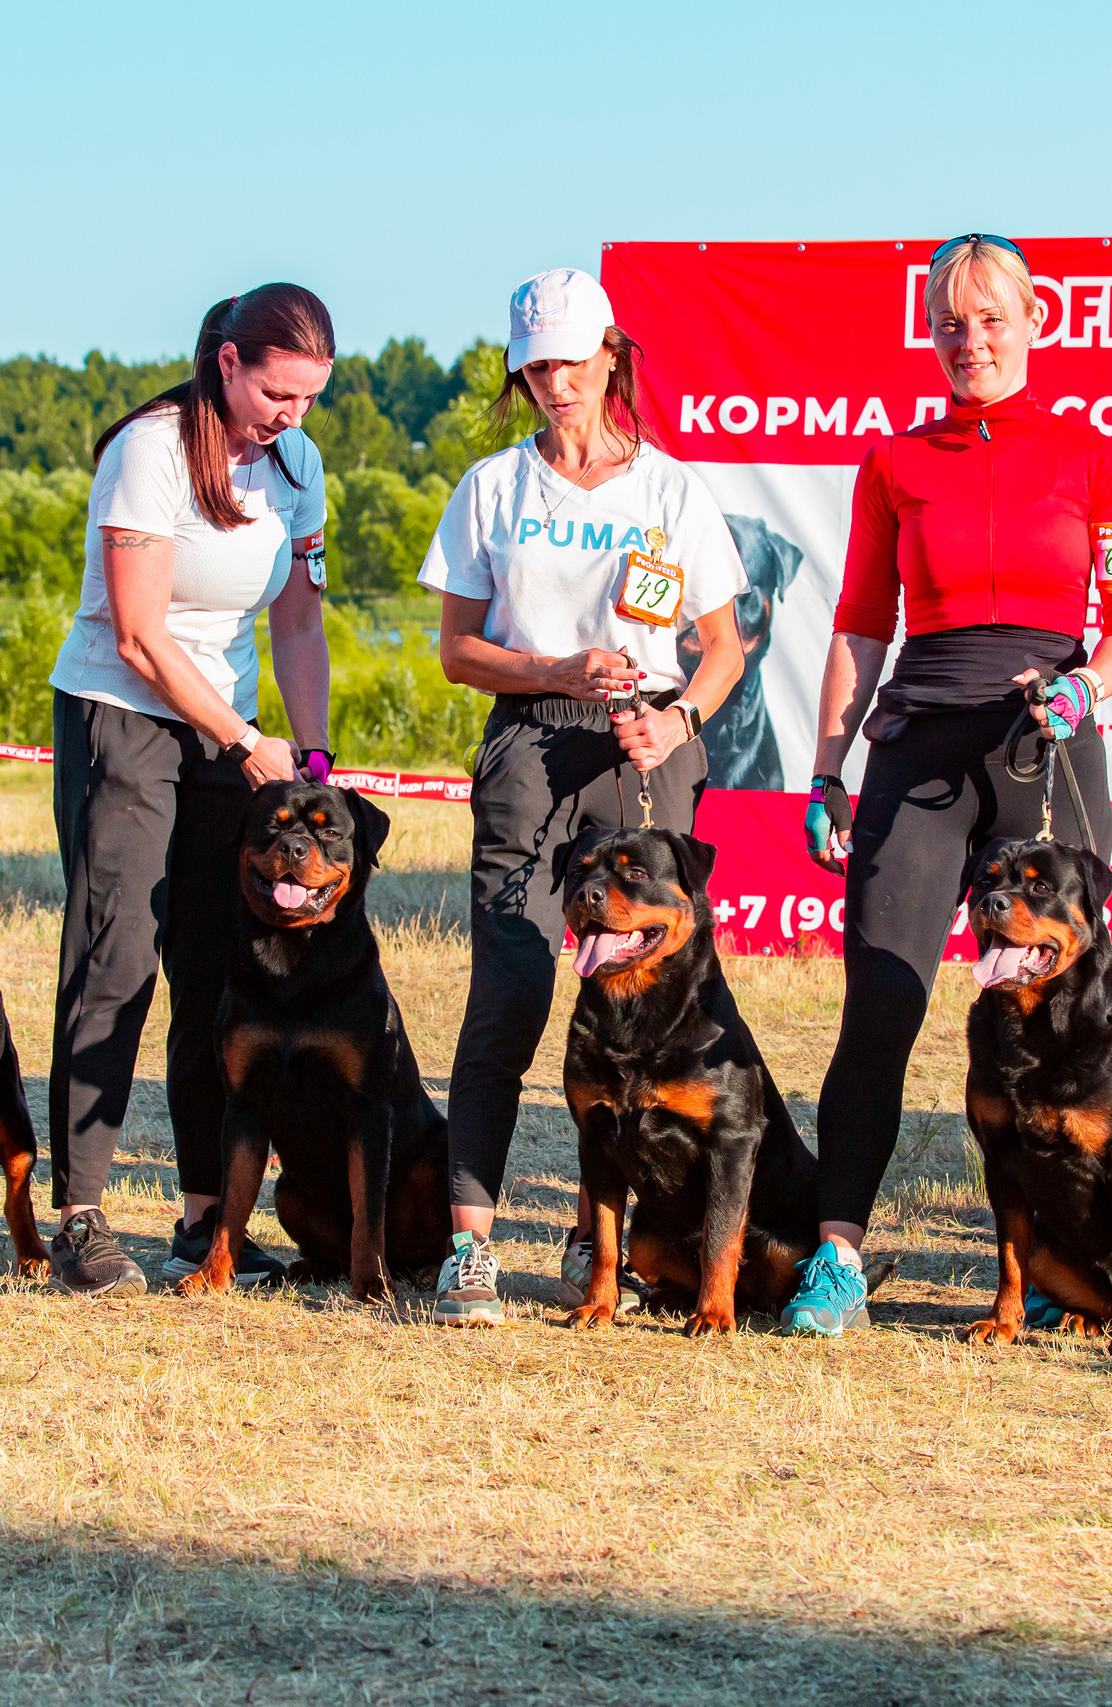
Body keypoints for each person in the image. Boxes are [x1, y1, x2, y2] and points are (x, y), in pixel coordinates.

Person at [780, 234, 1112, 1337]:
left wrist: (1087, 687)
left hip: (1048, 746)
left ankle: (1069, 1266)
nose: (970, 340)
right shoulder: (893, 463)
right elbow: (861, 622)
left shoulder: (1094, 456)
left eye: (991, 318)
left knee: (1073, 1018)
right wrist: (827, 771)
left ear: (1037, 321)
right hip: (919, 754)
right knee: (880, 1008)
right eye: (949, 322)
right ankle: (838, 1259)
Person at [421, 268, 746, 1325]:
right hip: (530, 740)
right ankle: (470, 1248)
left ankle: (592, 1240)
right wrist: (554, 669)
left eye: (571, 360)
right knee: (511, 991)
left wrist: (678, 720)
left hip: (645, 746)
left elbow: (724, 651)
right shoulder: (492, 487)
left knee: (641, 1005)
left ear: (612, 355)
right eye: (535, 366)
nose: (555, 382)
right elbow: (457, 651)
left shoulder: (672, 490)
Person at [46, 283, 337, 1295]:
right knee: (117, 956)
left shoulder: (298, 466)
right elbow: (137, 634)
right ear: (227, 363)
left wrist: (311, 755)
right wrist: (240, 737)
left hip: (231, 732)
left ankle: (205, 1220)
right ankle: (80, 1218)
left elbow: (297, 621)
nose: (291, 415)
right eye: (276, 393)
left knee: (215, 974)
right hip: (122, 713)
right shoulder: (151, 449)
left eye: (309, 397)